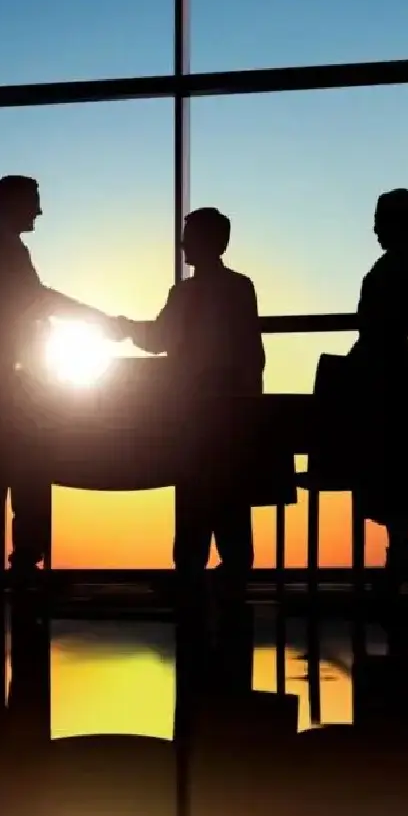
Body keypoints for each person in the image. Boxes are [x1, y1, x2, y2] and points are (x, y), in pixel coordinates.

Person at [0, 175, 111, 575]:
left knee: (2, 466)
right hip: (19, 381)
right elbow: (38, 300)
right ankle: (23, 561)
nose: (40, 211)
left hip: (7, 373)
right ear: (14, 204)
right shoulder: (5, 252)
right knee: (25, 466)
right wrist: (99, 320)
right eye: (34, 202)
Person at [123, 207, 264, 580]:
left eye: (188, 236)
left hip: (193, 414)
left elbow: (158, 338)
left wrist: (122, 328)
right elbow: (254, 353)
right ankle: (233, 576)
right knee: (230, 498)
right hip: (232, 411)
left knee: (193, 498)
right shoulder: (240, 288)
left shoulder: (185, 293)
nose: (182, 243)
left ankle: (191, 577)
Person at [346, 190, 408, 572]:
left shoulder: (395, 268)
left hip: (375, 369)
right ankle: (399, 546)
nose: (374, 229)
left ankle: (399, 546)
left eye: (381, 221)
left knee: (383, 458)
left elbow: (377, 323)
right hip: (390, 366)